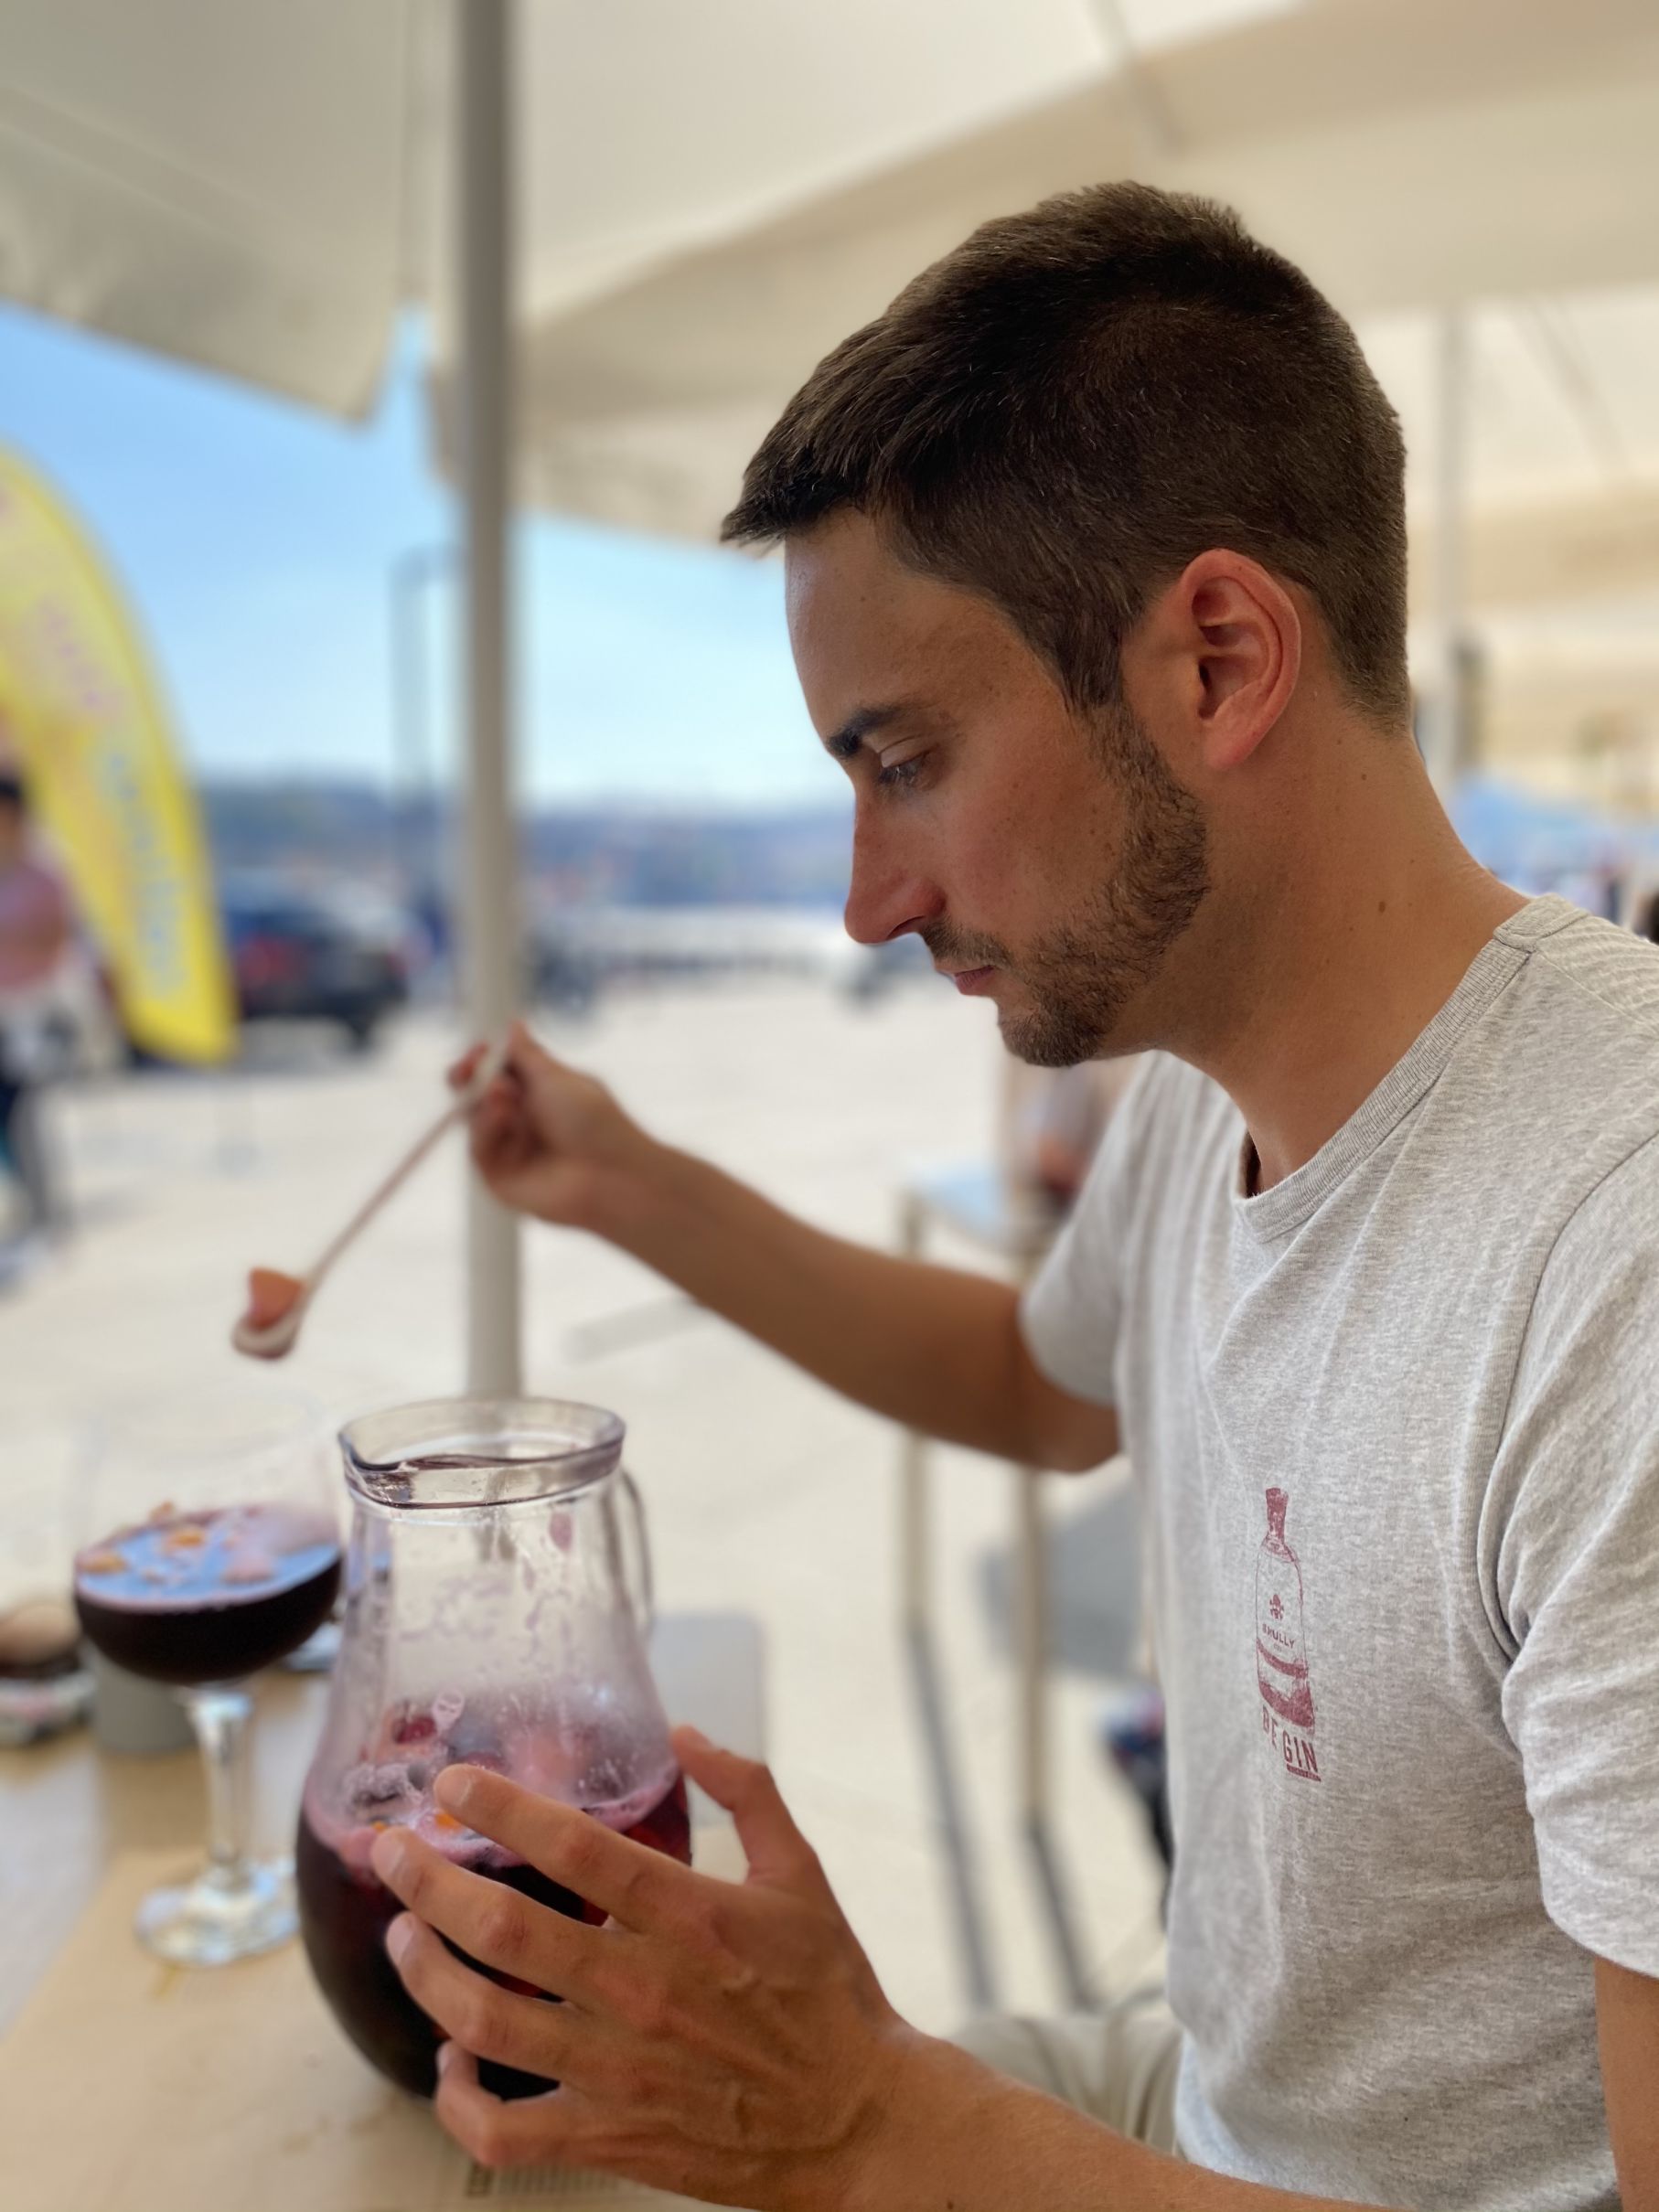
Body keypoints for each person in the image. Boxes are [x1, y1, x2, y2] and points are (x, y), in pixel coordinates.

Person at [368, 185, 1659, 2211]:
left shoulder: (1614, 1247)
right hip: (1193, 2098)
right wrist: (624, 1180)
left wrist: (869, 2121)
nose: (865, 898)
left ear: (1216, 660)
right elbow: (1038, 1383)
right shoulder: (1203, 1073)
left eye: (903, 760)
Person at [0, 769, 72, 1243]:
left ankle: (44, 1213)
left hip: (36, 1010)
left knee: (24, 1114)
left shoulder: (45, 871)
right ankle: (27, 1206)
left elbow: (60, 938)